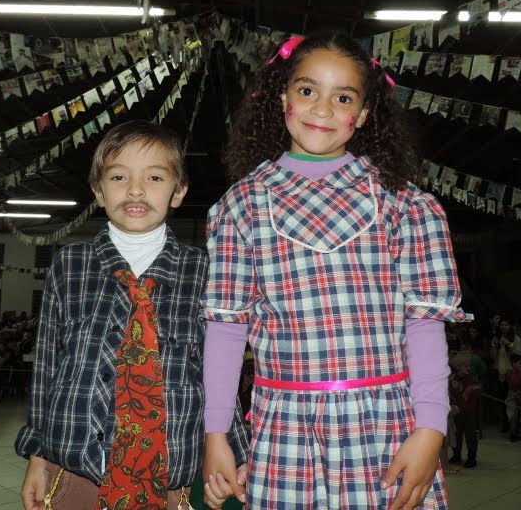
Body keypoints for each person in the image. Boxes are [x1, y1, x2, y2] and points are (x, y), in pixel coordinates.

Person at [200, 33, 468, 510]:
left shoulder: (404, 205)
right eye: (307, 90)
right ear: (281, 97)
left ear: (362, 114)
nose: (322, 109)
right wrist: (215, 433)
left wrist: (431, 429)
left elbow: (424, 325)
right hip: (284, 429)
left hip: (386, 426)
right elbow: (226, 329)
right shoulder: (240, 206)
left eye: (342, 97)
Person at [15, 120, 249, 510]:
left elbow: (219, 373)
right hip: (74, 470)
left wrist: (233, 450)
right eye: (119, 177)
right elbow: (47, 368)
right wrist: (37, 457)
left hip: (167, 471)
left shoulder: (205, 271)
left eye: (154, 177)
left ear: (178, 192)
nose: (135, 190)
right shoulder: (69, 264)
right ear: (98, 190)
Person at [448, 352, 481, 468]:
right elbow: (452, 396)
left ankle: (472, 457)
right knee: (457, 434)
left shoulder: (472, 379)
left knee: (470, 435)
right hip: (457, 412)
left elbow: (476, 394)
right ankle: (456, 454)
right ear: (458, 367)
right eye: (466, 366)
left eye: (469, 366)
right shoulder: (452, 379)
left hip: (469, 411)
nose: (469, 368)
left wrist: (469, 392)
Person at [505, 354, 521, 442]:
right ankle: (513, 434)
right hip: (512, 395)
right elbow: (514, 383)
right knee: (513, 415)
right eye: (519, 363)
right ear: (513, 363)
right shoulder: (509, 372)